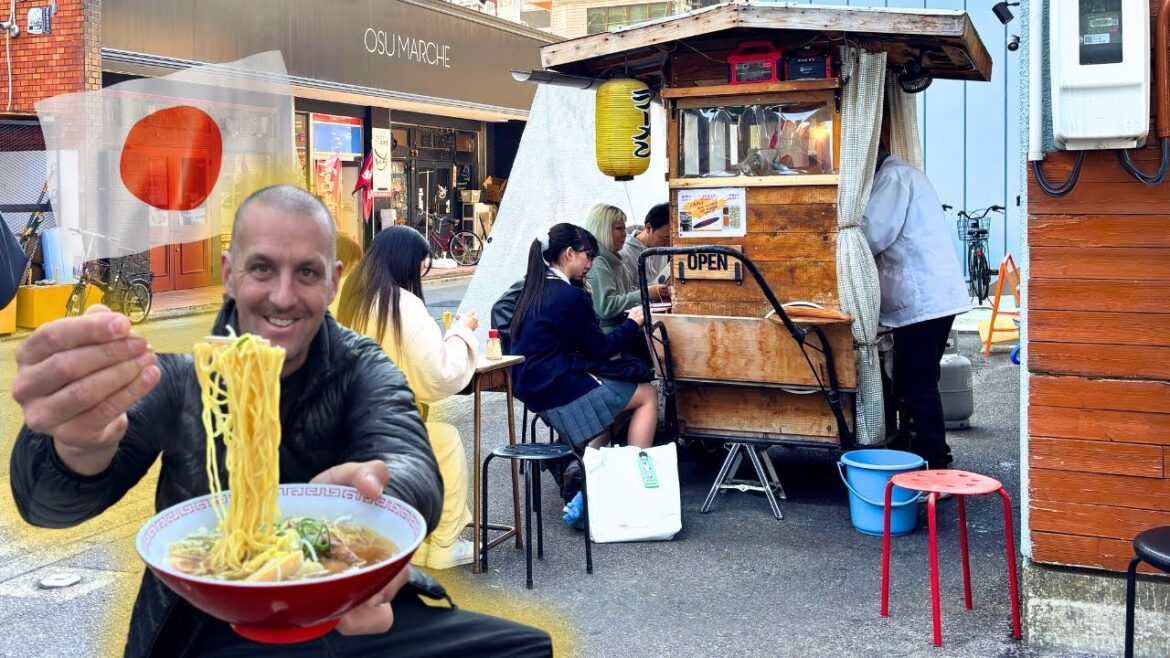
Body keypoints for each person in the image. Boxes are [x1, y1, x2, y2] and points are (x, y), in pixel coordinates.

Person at [8, 185, 551, 658]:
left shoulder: (362, 367)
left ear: (334, 281)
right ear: (230, 273)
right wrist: (76, 446)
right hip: (207, 620)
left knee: (525, 647)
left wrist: (380, 496)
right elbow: (49, 502)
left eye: (307, 272)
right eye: (263, 268)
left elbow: (413, 462)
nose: (283, 296)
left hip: (347, 594)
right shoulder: (183, 378)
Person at [337, 225, 479, 570]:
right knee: (445, 441)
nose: (420, 274)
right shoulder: (402, 305)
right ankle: (443, 544)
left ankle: (417, 540)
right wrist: (461, 332)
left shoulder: (351, 300)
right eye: (420, 266)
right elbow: (438, 373)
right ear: (407, 262)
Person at [509, 223, 659, 527]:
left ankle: (584, 473)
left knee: (620, 400)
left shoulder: (533, 288)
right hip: (558, 388)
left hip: (532, 388)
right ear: (569, 254)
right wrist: (632, 323)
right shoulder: (569, 296)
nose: (590, 263)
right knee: (646, 394)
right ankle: (629, 481)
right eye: (587, 256)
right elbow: (601, 348)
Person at [861, 146, 969, 470]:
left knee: (918, 383)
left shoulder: (893, 178)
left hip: (924, 300)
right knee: (916, 381)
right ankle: (918, 454)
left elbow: (870, 234)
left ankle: (935, 462)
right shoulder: (903, 174)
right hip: (933, 298)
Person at [581, 203, 668, 333]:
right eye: (618, 228)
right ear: (602, 230)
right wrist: (645, 294)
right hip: (610, 334)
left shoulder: (615, 259)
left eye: (624, 228)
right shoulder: (598, 263)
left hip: (625, 327)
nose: (624, 233)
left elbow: (627, 293)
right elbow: (606, 308)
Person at [619, 202, 671, 288]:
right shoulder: (625, 253)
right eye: (665, 238)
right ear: (648, 228)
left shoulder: (663, 245)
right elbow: (627, 291)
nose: (669, 244)